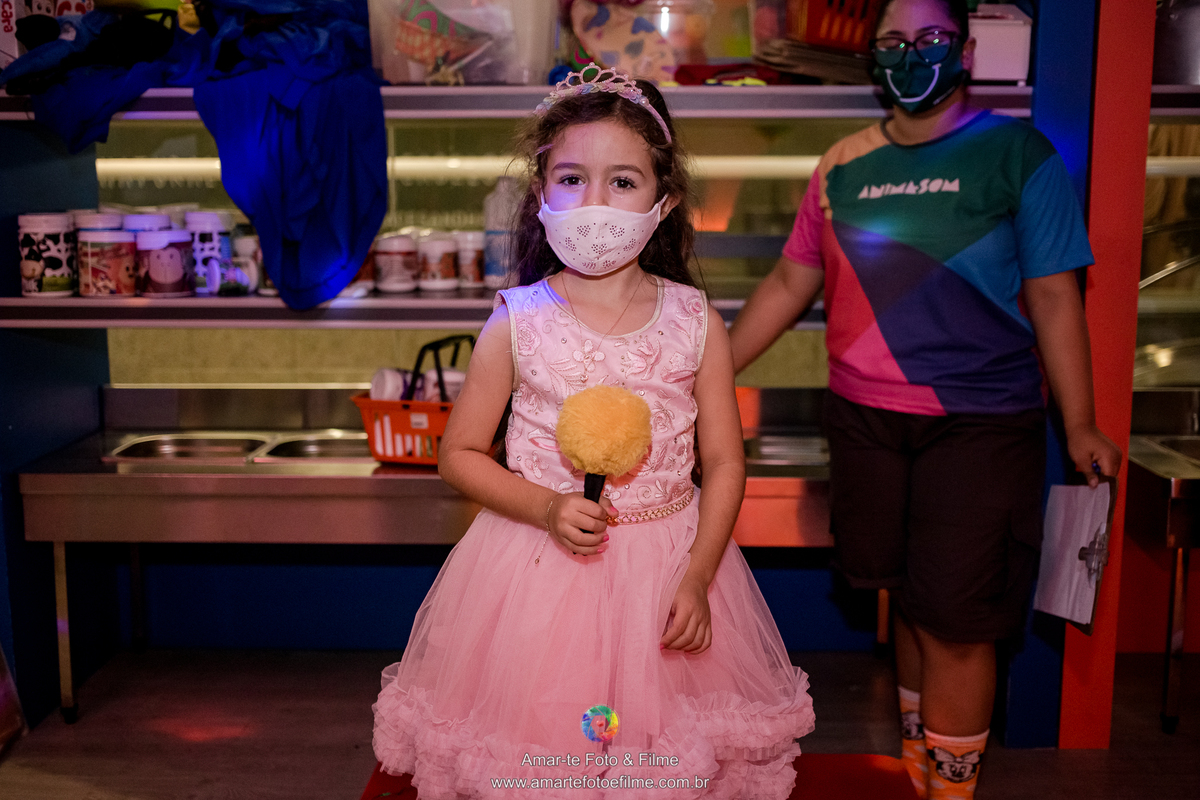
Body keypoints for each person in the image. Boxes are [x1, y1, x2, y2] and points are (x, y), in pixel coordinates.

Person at [373, 66, 815, 799]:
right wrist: (545, 506)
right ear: (541, 192)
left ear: (665, 202)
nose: (594, 203)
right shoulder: (515, 321)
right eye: (572, 179)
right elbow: (459, 454)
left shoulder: (696, 322)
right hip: (539, 571)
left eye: (623, 182)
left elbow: (724, 463)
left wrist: (699, 575)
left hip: (669, 569)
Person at [728, 1, 1122, 799]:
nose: (912, 54)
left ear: (966, 49)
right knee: (906, 596)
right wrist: (701, 377)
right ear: (873, 56)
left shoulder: (1019, 153)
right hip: (864, 421)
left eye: (931, 38)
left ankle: (951, 791)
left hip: (980, 424)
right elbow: (789, 283)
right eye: (894, 41)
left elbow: (1056, 297)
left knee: (959, 620)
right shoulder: (841, 164)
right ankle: (918, 770)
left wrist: (1080, 422)